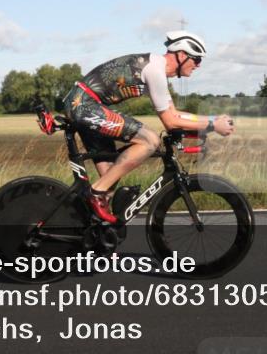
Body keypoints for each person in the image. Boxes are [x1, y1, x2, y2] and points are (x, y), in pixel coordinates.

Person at [62, 30, 234, 223]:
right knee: (150, 139)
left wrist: (212, 119)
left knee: (109, 178)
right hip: (83, 106)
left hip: (86, 105)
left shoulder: (156, 68)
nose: (199, 65)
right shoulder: (155, 70)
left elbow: (174, 113)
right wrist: (212, 125)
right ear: (182, 55)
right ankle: (95, 192)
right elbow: (170, 121)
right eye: (196, 59)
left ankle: (97, 240)